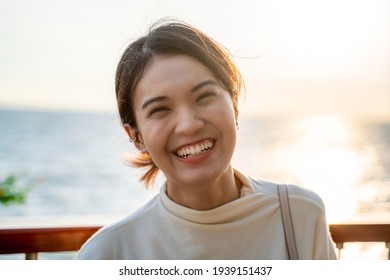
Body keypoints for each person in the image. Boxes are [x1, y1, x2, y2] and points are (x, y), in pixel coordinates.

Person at [77, 19, 337, 260]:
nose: (189, 125)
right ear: (136, 137)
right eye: (160, 110)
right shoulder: (106, 255)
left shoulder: (300, 216)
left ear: (234, 104)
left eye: (204, 97)